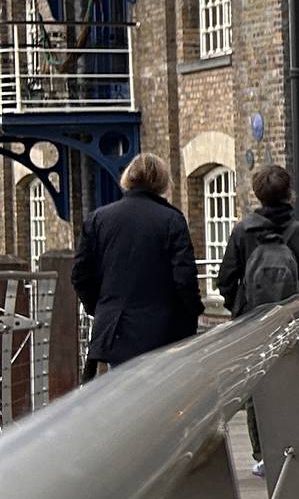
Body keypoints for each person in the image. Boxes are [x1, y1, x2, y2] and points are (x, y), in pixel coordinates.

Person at [217, 164, 299, 470]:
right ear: (289, 193)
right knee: (292, 384)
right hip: (291, 318)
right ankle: (291, 449)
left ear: (257, 194)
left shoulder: (242, 231)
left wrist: (241, 308)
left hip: (253, 322)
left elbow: (225, 279)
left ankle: (262, 455)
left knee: (256, 388)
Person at [70, 151, 202, 379]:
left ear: (128, 178)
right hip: (163, 331)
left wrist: (102, 308)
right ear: (162, 182)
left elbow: (80, 275)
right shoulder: (172, 220)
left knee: (121, 392)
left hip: (115, 330)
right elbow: (185, 278)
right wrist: (192, 314)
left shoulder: (98, 219)